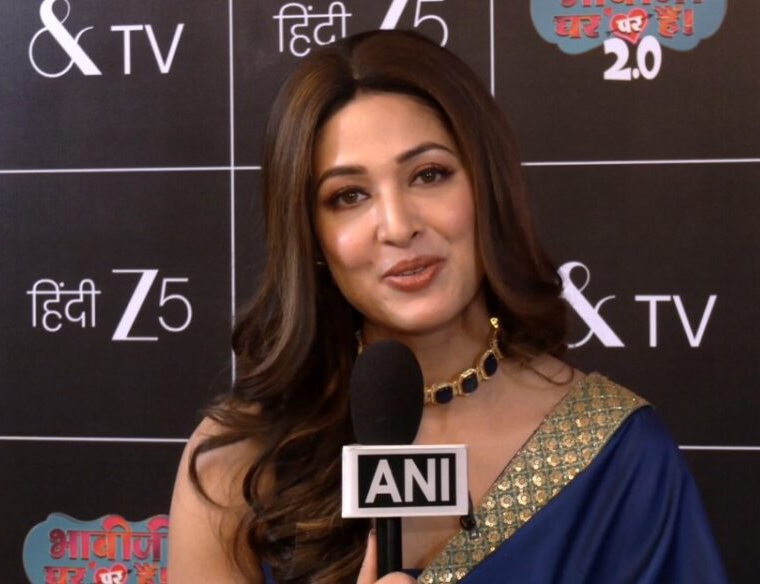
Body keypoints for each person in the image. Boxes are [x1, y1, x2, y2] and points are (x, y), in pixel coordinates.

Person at [168, 30, 728, 584]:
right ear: (311, 234)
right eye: (349, 196)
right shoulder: (236, 463)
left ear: (488, 186)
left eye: (429, 174)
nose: (398, 225)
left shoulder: (618, 455)